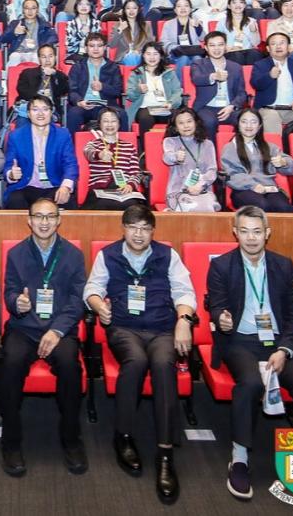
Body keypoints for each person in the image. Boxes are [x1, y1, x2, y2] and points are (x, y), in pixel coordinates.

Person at [205, 207, 293, 508]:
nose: (251, 238)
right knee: (249, 384)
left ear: (267, 233)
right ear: (235, 233)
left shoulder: (285, 267)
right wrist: (222, 319)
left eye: (257, 231)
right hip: (240, 342)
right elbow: (216, 306)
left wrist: (284, 350)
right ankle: (239, 459)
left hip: (279, 343)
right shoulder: (221, 266)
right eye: (245, 231)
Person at [84, 203, 196, 504]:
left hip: (162, 329)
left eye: (145, 229)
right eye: (133, 228)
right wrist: (99, 305)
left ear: (153, 231)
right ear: (123, 229)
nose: (138, 234)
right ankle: (123, 436)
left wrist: (184, 321)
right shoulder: (108, 255)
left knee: (163, 363)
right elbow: (92, 288)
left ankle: (165, 453)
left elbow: (184, 291)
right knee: (136, 361)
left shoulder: (167, 255)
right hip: (124, 328)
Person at [0, 198, 89, 477]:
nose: (44, 222)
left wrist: (57, 330)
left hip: (59, 329)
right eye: (38, 216)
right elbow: (9, 291)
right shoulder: (16, 253)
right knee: (10, 363)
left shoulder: (73, 255)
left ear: (59, 220)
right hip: (24, 328)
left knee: (70, 366)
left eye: (50, 216)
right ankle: (11, 442)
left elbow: (77, 300)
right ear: (29, 220)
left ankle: (71, 439)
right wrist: (16, 302)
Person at [3, 95, 78, 209]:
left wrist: (65, 187)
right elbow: (8, 165)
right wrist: (12, 175)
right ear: (28, 114)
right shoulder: (16, 136)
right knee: (15, 201)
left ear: (51, 112)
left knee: (67, 201)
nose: (40, 113)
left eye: (45, 109)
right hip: (26, 186)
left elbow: (70, 164)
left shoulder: (62, 135)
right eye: (35, 109)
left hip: (54, 185)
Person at [220, 109, 293, 212]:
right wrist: (253, 185)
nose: (249, 126)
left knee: (283, 208)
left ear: (260, 126)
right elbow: (231, 174)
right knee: (262, 206)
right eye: (244, 122)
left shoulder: (269, 147)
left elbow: (291, 165)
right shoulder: (230, 148)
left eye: (253, 122)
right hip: (243, 189)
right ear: (238, 125)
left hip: (269, 188)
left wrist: (283, 162)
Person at [251, 33, 293, 136]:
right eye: (274, 44)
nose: (278, 46)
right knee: (271, 117)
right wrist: (270, 76)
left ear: (288, 47)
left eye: (282, 43)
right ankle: (274, 146)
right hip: (269, 109)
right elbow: (256, 84)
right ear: (268, 48)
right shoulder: (260, 65)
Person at [82, 107, 145, 210]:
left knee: (134, 207)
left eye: (113, 121)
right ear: (99, 124)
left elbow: (136, 173)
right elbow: (88, 153)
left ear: (119, 124)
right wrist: (100, 155)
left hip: (124, 189)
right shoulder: (93, 144)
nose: (110, 125)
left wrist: (130, 185)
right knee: (102, 205)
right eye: (105, 121)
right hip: (100, 189)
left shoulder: (129, 147)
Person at [161, 108, 220, 212]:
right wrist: (176, 157)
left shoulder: (208, 144)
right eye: (181, 123)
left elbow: (212, 170)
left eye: (189, 121)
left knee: (208, 208)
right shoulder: (170, 142)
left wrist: (201, 184)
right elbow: (167, 158)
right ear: (175, 128)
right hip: (179, 191)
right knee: (193, 208)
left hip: (202, 190)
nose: (186, 126)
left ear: (196, 123)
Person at [66, 32, 125, 133]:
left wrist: (102, 87)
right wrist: (79, 101)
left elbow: (117, 90)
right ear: (86, 48)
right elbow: (72, 91)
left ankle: (122, 143)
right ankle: (72, 143)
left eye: (99, 46)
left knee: (122, 114)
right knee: (73, 114)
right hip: (84, 105)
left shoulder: (113, 67)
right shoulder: (78, 67)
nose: (96, 49)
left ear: (105, 47)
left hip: (107, 106)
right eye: (92, 46)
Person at [191, 31, 247, 135]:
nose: (216, 49)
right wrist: (214, 76)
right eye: (212, 45)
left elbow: (242, 93)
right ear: (206, 47)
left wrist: (232, 106)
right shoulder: (198, 64)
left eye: (220, 45)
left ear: (225, 46)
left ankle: (237, 145)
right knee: (209, 122)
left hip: (229, 107)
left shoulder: (235, 67)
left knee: (245, 121)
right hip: (206, 108)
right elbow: (196, 79)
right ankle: (211, 146)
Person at [126, 42, 184, 137]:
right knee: (145, 118)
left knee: (177, 118)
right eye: (148, 54)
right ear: (143, 55)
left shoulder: (169, 72)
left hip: (165, 107)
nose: (152, 57)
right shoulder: (136, 73)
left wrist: (171, 103)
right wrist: (138, 90)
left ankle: (172, 145)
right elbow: (130, 95)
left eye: (155, 54)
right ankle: (145, 146)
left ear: (161, 56)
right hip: (145, 108)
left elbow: (177, 91)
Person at [14, 44, 69, 125]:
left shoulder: (60, 75)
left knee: (46, 123)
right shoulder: (28, 73)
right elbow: (22, 91)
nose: (47, 60)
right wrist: (40, 98)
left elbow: (65, 90)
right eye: (44, 57)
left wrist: (55, 74)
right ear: (39, 59)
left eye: (50, 56)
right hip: (30, 108)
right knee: (23, 123)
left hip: (49, 110)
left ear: (55, 57)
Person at [1, 0, 56, 67]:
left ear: (37, 10)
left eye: (33, 8)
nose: (30, 11)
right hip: (18, 52)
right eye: (27, 8)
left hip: (36, 53)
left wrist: (44, 46)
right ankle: (9, 74)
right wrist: (14, 32)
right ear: (23, 10)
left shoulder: (44, 25)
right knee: (14, 57)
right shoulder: (14, 23)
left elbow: (54, 37)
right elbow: (2, 39)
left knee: (37, 58)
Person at [159, 0, 206, 70]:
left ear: (190, 9)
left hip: (193, 52)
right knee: (184, 58)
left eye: (186, 6)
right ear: (175, 10)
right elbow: (163, 42)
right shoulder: (168, 24)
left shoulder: (196, 22)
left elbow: (203, 38)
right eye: (179, 6)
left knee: (197, 59)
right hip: (176, 54)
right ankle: (178, 78)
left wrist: (198, 28)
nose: (183, 8)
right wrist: (175, 48)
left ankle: (199, 77)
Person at [108, 0, 156, 66]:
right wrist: (120, 29)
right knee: (131, 58)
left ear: (138, 10)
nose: (131, 11)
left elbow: (150, 44)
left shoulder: (146, 25)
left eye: (134, 8)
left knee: (134, 57)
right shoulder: (118, 25)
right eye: (128, 8)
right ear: (124, 10)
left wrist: (139, 51)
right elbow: (112, 45)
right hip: (123, 58)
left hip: (141, 56)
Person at [222, 0, 262, 64]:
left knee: (255, 54)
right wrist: (227, 48)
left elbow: (256, 43)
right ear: (229, 6)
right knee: (237, 55)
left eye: (241, 2)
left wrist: (253, 32)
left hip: (248, 50)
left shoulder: (251, 21)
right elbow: (218, 39)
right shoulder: (222, 22)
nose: (238, 5)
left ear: (244, 5)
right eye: (234, 2)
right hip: (231, 51)